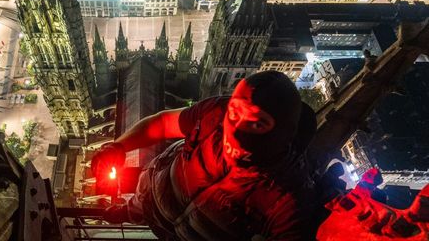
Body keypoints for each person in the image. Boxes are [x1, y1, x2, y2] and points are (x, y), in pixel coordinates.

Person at [91, 71, 319, 240]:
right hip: (153, 189)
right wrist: (117, 148)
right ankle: (129, 212)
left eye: (258, 123)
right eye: (236, 110)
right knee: (139, 202)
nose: (236, 129)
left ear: (283, 135)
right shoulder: (216, 111)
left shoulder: (289, 201)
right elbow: (162, 124)